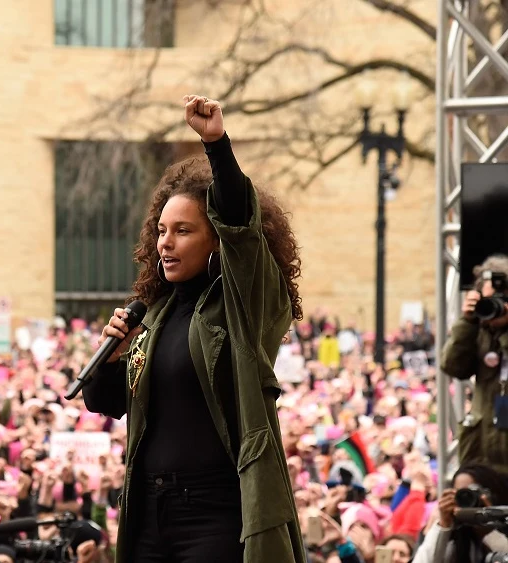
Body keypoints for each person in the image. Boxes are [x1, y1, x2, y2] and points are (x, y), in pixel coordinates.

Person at [82, 95, 305, 563]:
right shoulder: (154, 315)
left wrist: (216, 145)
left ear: (216, 238)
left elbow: (242, 228)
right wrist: (115, 354)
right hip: (148, 511)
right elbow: (106, 403)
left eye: (183, 230)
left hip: (214, 513)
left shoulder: (241, 308)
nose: (166, 242)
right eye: (161, 230)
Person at [442, 254, 508, 473]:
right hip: (484, 454)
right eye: (489, 299)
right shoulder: (476, 331)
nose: (496, 305)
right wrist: (468, 322)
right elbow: (452, 366)